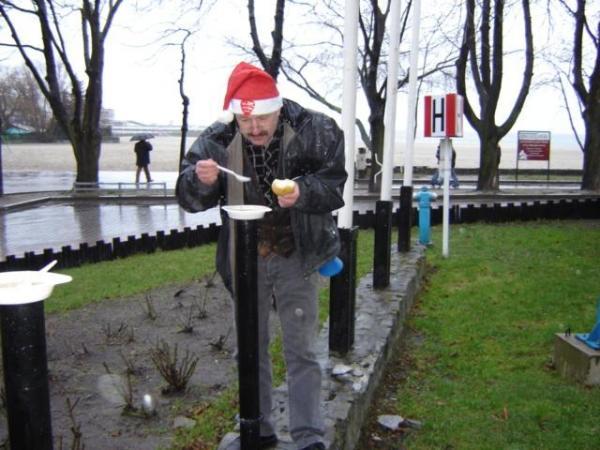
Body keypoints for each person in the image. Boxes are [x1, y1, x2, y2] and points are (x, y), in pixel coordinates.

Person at [176, 62, 346, 450]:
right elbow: (187, 196)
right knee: (249, 347)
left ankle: (308, 435)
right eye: (245, 121)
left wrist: (303, 192)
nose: (254, 128)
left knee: (301, 347)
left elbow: (334, 185)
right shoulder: (217, 139)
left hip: (297, 250)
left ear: (277, 108)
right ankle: (257, 428)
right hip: (245, 253)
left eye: (262, 119)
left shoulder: (316, 130)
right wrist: (200, 181)